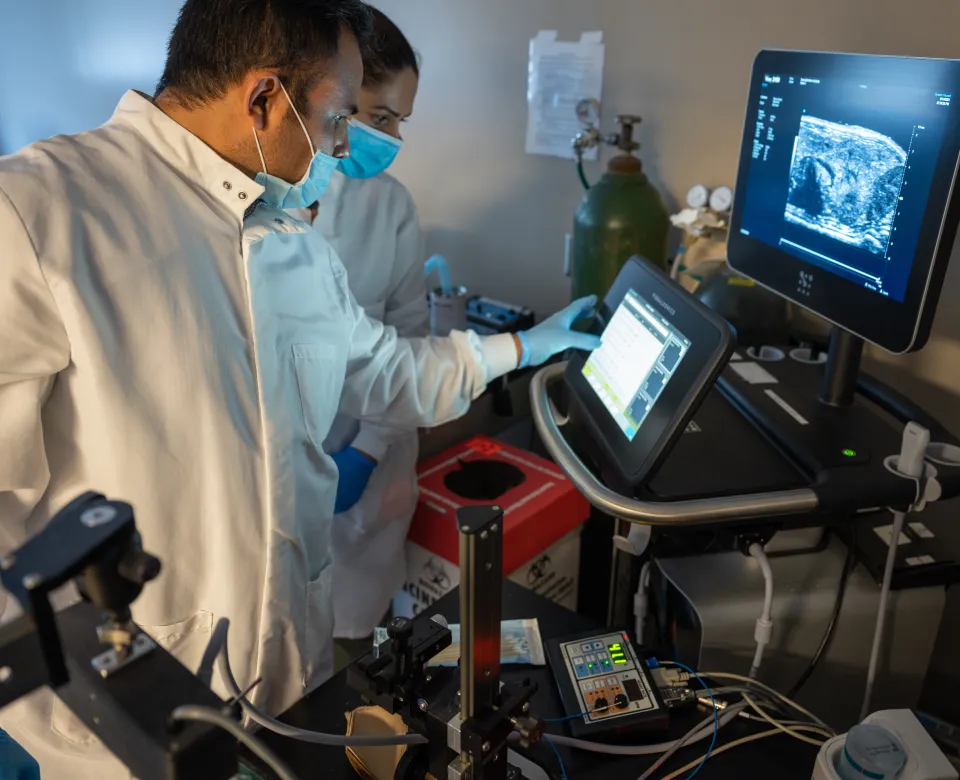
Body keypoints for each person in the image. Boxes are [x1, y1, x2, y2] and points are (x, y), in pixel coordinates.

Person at [0, 1, 598, 777]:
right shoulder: (37, 215)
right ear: (263, 99)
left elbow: (386, 370)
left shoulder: (291, 240)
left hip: (291, 675)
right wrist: (52, 673)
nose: (342, 146)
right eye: (338, 118)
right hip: (127, 716)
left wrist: (519, 347)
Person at [306, 7, 429, 653]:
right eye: (381, 118)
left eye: (401, 121)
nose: (394, 139)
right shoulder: (267, 204)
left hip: (369, 462)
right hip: (284, 470)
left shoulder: (391, 206)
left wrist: (367, 451)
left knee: (356, 643)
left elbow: (410, 339)